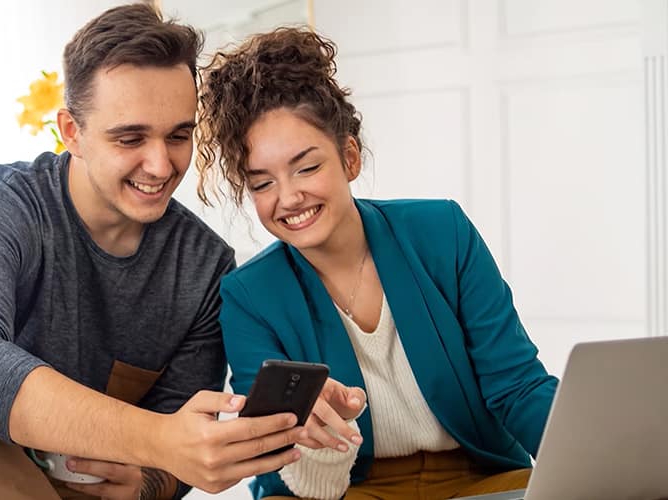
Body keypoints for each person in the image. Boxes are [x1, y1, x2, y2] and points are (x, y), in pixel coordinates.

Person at [0, 5, 308, 500]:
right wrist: (155, 440)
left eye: (179, 136)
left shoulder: (203, 268)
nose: (161, 165)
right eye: (131, 137)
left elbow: (176, 451)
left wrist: (146, 481)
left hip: (74, 486)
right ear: (71, 132)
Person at [196, 27, 559, 500]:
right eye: (262, 183)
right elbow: (273, 467)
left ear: (348, 158)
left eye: (306, 167)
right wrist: (322, 445)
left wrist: (601, 459)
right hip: (353, 491)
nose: (288, 198)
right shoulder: (249, 296)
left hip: (479, 479)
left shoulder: (441, 232)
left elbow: (517, 387)